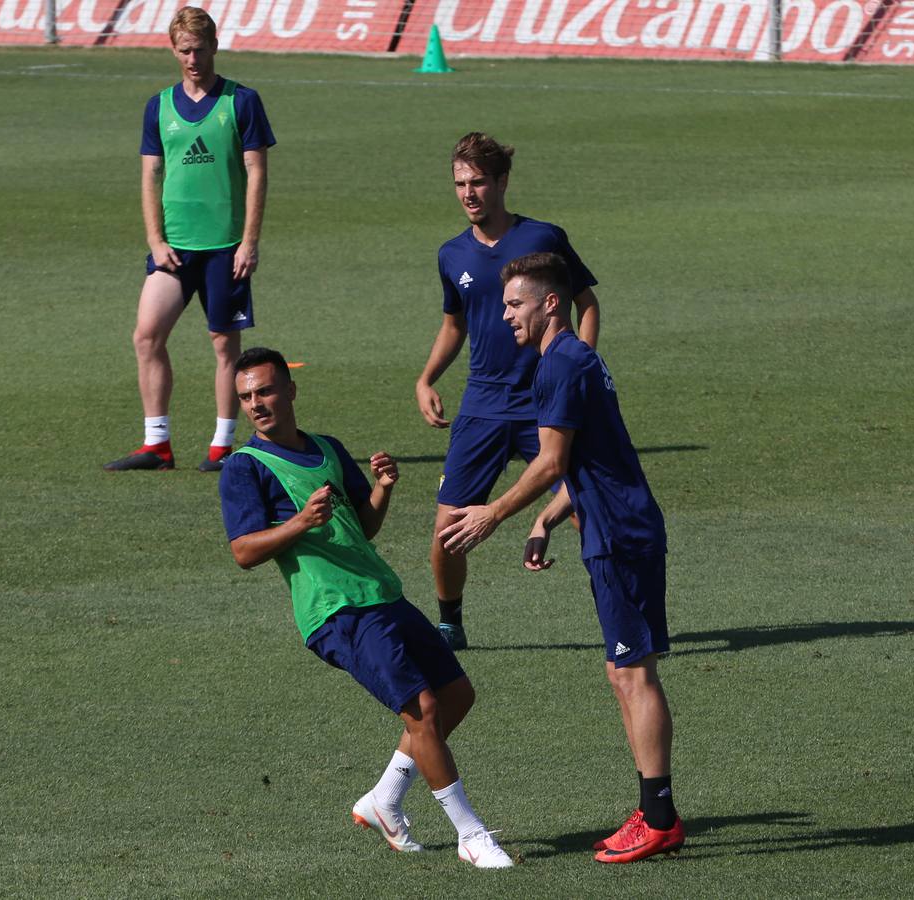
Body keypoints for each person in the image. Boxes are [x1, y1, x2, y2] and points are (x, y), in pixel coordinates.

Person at [219, 346, 513, 869]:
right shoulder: (245, 468)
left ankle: (384, 801)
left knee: (455, 696)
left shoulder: (327, 447)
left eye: (264, 390)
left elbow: (364, 525)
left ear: (290, 389)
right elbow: (243, 552)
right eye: (245, 397)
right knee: (421, 709)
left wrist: (382, 489)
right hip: (336, 611)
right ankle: (471, 835)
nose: (256, 404)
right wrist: (298, 524)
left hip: (382, 593)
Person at [438, 253, 683, 864]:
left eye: (515, 305)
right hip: (614, 526)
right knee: (621, 671)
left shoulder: (560, 366)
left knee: (634, 672)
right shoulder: (574, 360)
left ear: (551, 303)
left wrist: (493, 513)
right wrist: (547, 519)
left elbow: (550, 462)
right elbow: (588, 460)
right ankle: (651, 808)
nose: (505, 317)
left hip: (620, 534)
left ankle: (660, 819)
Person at [416, 132, 601, 649]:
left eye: (478, 182)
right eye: (460, 183)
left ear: (501, 182)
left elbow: (586, 303)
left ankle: (614, 609)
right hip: (483, 402)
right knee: (448, 525)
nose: (468, 192)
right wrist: (427, 377)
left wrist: (580, 366)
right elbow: (456, 323)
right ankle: (450, 622)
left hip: (545, 397)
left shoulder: (543, 237)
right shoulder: (451, 254)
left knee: (589, 503)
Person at [105, 6, 275, 474]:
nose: (193, 59)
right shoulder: (158, 106)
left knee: (224, 345)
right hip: (174, 249)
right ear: (173, 51)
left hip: (225, 246)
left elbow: (257, 173)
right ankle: (157, 444)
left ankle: (223, 445)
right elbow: (150, 175)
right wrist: (155, 239)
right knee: (146, 335)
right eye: (184, 51)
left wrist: (249, 241)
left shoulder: (241, 101)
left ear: (215, 47)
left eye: (200, 49)